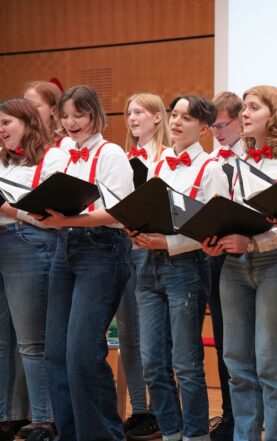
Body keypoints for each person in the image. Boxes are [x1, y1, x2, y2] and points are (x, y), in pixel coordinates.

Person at [202, 85, 277, 441]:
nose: (244, 114)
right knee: (237, 365)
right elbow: (225, 211)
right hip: (234, 267)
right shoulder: (235, 162)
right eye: (244, 108)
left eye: (253, 107)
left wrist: (254, 241)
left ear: (275, 113)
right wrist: (213, 237)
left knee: (272, 366)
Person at [40, 85, 135, 440]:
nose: (71, 123)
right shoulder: (61, 153)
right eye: (64, 116)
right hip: (66, 248)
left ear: (95, 115)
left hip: (103, 250)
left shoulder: (111, 154)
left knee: (82, 354)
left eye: (78, 115)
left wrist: (67, 221)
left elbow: (117, 213)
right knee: (56, 354)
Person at [131, 95, 227, 441]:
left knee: (186, 364)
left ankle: (197, 435)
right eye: (174, 115)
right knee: (153, 363)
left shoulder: (212, 168)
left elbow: (212, 228)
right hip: (148, 266)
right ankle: (171, 432)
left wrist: (167, 243)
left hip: (186, 266)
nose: (175, 122)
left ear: (203, 128)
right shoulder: (156, 163)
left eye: (186, 117)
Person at [0, 98, 69, 441]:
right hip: (2, 243)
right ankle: (8, 415)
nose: (1, 130)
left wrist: (8, 209)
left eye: (6, 122)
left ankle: (44, 418)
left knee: (31, 340)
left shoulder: (52, 157)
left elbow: (51, 218)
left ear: (27, 122)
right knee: (2, 340)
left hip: (28, 243)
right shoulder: (3, 162)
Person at [118, 92, 171, 440]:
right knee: (127, 334)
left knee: (156, 338)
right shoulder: (120, 158)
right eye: (128, 112)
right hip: (124, 247)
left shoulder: (169, 158)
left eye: (140, 111)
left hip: (156, 250)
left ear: (157, 117)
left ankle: (162, 408)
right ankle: (140, 409)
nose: (132, 117)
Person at [207, 90, 244, 441]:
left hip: (254, 251)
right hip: (216, 255)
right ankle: (230, 416)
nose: (217, 132)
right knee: (224, 341)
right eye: (212, 126)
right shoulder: (211, 161)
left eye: (223, 125)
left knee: (258, 346)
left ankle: (252, 417)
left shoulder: (253, 157)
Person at [23, 80, 71, 149]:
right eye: (24, 105)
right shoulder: (21, 142)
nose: (27, 110)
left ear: (53, 109)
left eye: (35, 106)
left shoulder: (66, 144)